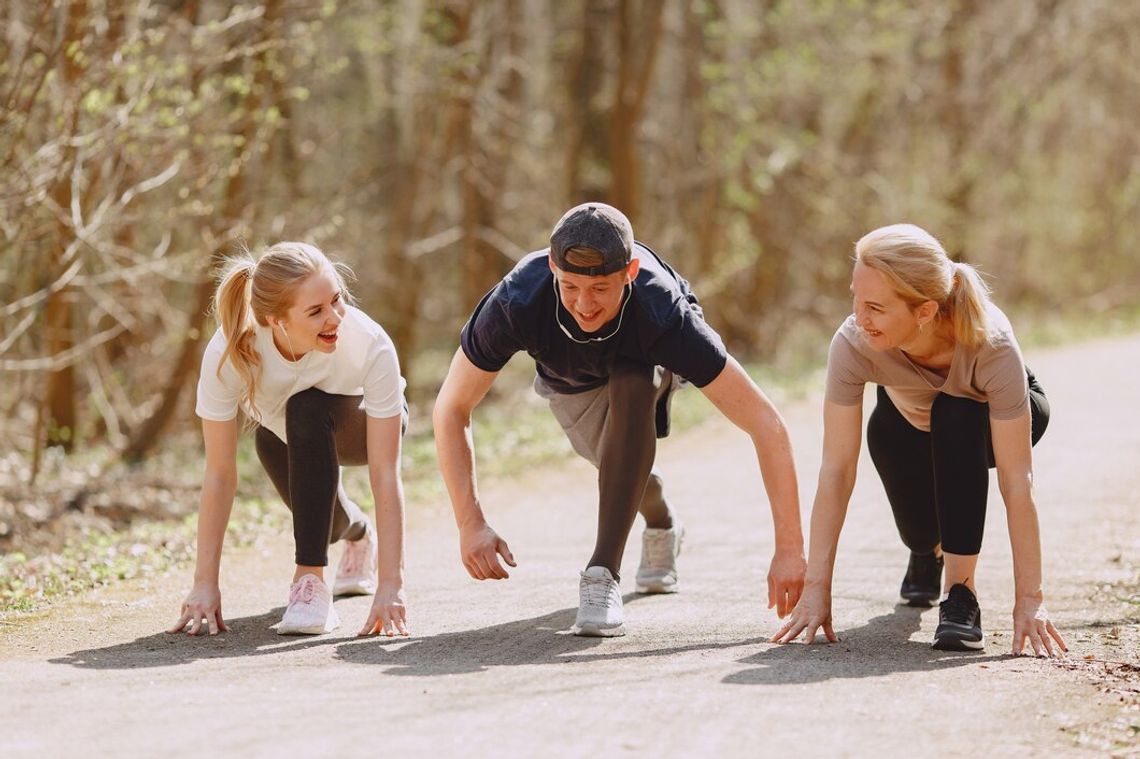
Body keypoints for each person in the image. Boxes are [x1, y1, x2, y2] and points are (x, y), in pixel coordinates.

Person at [433, 202, 805, 637]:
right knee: (625, 476)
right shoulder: (518, 299)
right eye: (569, 286)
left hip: (647, 361)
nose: (584, 305)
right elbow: (451, 408)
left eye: (600, 289)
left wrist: (790, 550)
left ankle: (601, 574)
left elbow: (767, 424)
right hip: (572, 384)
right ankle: (663, 521)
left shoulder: (663, 312)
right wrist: (469, 522)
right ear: (553, 266)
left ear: (629, 272)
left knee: (634, 377)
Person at [772, 223, 1068, 655]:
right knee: (920, 531)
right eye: (855, 298)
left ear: (925, 312)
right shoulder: (854, 343)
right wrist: (816, 587)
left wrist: (1031, 601)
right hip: (904, 420)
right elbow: (836, 470)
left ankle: (960, 595)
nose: (859, 316)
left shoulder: (990, 343)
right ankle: (927, 551)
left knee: (956, 411)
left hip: (983, 419)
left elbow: (1016, 481)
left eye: (874, 306)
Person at [168, 242, 410, 638]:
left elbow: (385, 472)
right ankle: (357, 533)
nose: (335, 318)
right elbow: (219, 474)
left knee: (306, 407)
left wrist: (391, 586)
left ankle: (310, 585)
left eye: (337, 300)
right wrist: (204, 583)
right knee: (319, 517)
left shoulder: (369, 342)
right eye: (315, 311)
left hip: (365, 427)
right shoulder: (230, 353)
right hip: (285, 437)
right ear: (274, 320)